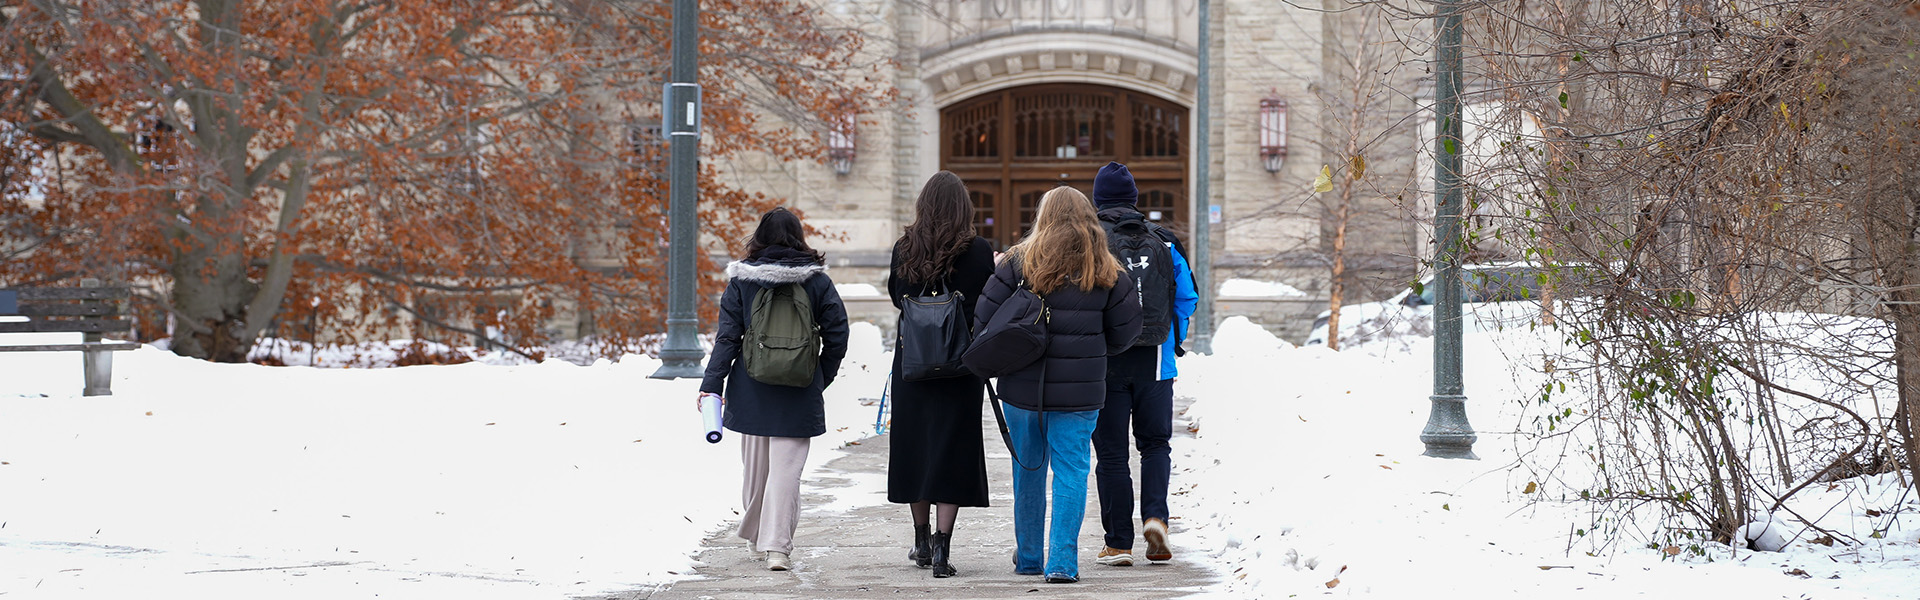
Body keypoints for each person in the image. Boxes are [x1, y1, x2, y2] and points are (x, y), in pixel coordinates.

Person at [975, 185, 1143, 584]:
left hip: (1021, 387)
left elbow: (983, 322)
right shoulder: (1106, 268)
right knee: (1071, 471)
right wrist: (1095, 352)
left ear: (1042, 217)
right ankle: (1063, 562)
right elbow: (1127, 330)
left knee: (1028, 471)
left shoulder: (1018, 262)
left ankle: (1030, 556)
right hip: (1081, 391)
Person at [697, 207, 851, 572]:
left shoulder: (742, 281)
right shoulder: (816, 282)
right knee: (785, 474)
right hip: (798, 391)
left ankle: (755, 538)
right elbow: (838, 334)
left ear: (759, 237)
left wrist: (712, 385)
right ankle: (777, 548)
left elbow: (727, 339)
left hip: (752, 388)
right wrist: (818, 376)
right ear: (800, 237)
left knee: (756, 470)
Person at [884, 171, 996, 578]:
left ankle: (920, 538)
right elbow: (987, 303)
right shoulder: (979, 249)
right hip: (960, 365)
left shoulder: (904, 248)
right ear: (963, 207)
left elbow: (898, 297)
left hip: (912, 363)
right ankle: (943, 551)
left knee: (916, 447)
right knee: (954, 450)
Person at [1089, 161, 1198, 567]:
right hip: (1156, 361)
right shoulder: (1164, 241)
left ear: (1097, 200)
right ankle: (1156, 518)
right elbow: (1187, 297)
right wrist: (1173, 339)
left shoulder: (1090, 241)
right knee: (1155, 445)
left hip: (1105, 361)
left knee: (1112, 455)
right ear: (1134, 199)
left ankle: (1118, 542)